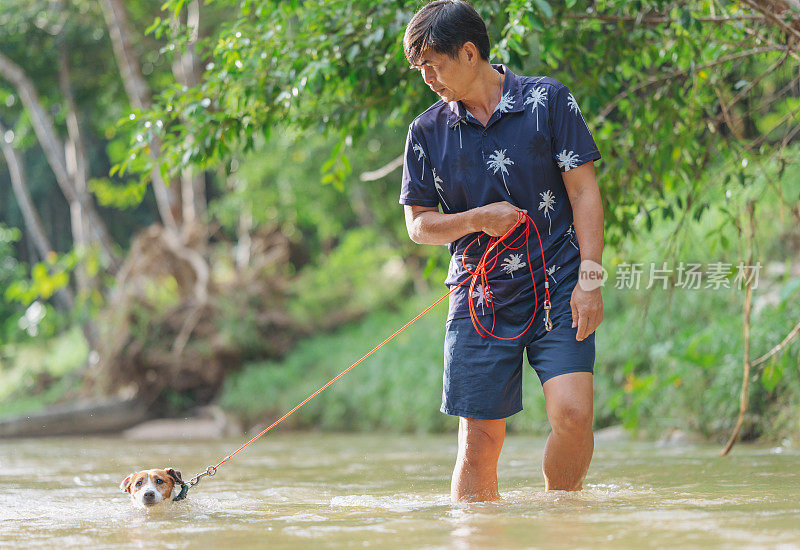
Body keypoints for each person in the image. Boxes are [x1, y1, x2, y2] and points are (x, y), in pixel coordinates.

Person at [399, 0, 605, 502]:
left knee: (574, 416)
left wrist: (591, 280)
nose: (426, 77)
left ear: (469, 52)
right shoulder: (426, 132)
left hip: (559, 282)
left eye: (432, 64)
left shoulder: (549, 101)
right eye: (419, 67)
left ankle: (564, 519)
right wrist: (475, 220)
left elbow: (584, 192)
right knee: (480, 441)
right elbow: (419, 226)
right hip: (479, 296)